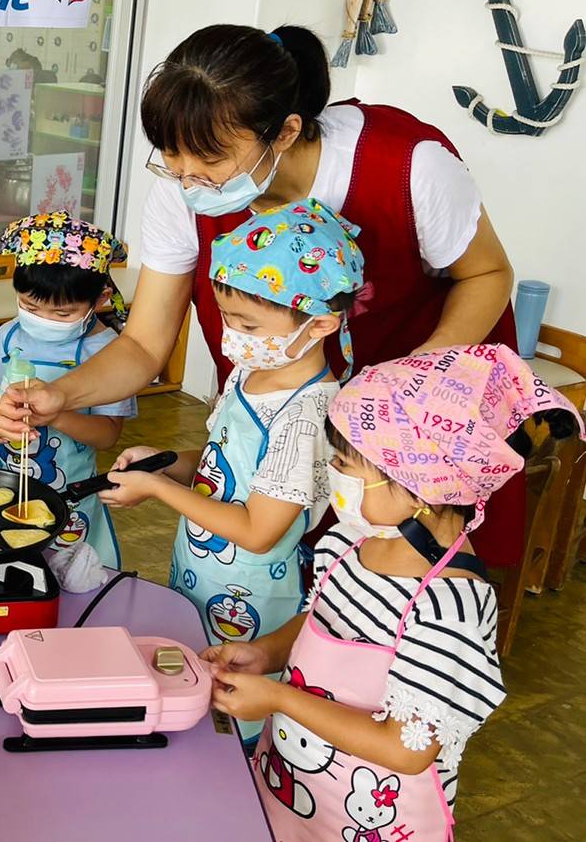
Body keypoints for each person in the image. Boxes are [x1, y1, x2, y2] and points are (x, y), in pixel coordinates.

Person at [0, 24, 523, 566]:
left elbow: (486, 275)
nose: (189, 181)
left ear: (287, 131)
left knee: (397, 577)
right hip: (278, 404)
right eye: (172, 163)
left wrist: (406, 382)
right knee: (297, 567)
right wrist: (63, 395)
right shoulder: (186, 191)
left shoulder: (407, 164)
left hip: (402, 423)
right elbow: (144, 346)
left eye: (211, 163)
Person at [207, 345, 579, 839]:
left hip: (374, 822)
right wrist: (265, 652)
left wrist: (279, 699)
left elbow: (407, 749)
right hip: (295, 791)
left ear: (421, 483)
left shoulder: (450, 608)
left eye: (346, 463)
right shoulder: (347, 543)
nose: (334, 473)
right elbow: (321, 620)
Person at [105, 199, 362, 745]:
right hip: (199, 571)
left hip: (252, 601)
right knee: (194, 681)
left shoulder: (306, 414)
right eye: (227, 317)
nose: (233, 333)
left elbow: (257, 529)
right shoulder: (251, 373)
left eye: (248, 323)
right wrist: (166, 464)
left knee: (233, 716)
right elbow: (223, 470)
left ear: (319, 323)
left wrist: (154, 490)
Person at [0, 213, 135, 569]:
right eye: (30, 307)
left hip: (71, 495)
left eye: (61, 314)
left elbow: (107, 436)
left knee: (67, 578)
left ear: (101, 298)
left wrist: (57, 415)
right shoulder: (8, 336)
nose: (42, 319)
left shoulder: (113, 355)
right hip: (1, 484)